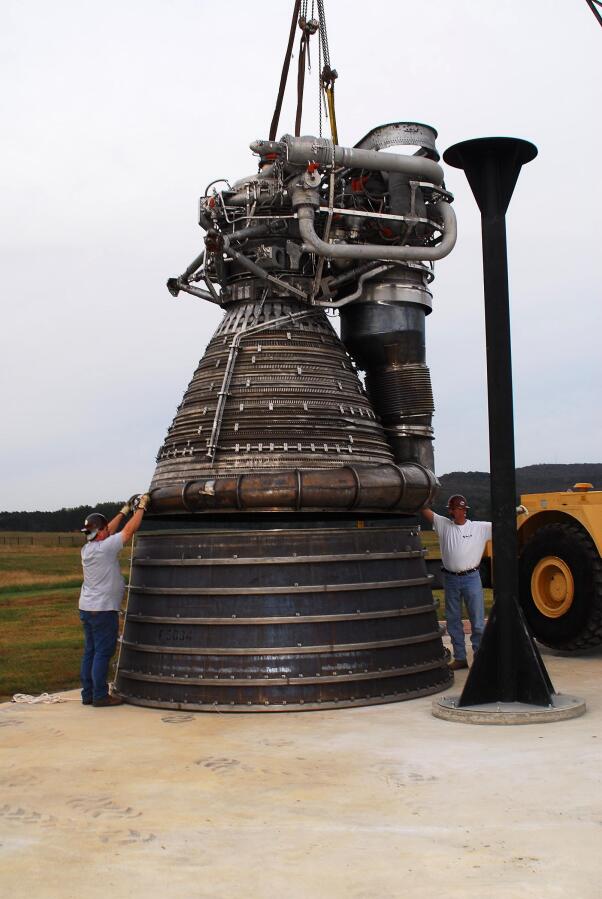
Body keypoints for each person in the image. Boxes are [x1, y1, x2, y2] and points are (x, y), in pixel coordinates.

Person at [78, 493, 151, 706]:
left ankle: (88, 694)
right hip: (103, 610)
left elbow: (106, 530)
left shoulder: (87, 549)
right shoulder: (105, 548)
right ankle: (100, 696)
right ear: (100, 532)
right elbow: (128, 531)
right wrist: (141, 508)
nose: (108, 531)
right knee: (103, 652)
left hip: (87, 608)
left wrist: (123, 511)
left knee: (90, 651)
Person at [421, 495, 491, 670]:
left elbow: (502, 524)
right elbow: (424, 511)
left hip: (471, 578)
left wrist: (516, 512)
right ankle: (460, 658)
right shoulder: (444, 525)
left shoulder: (479, 528)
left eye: (457, 509)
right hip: (451, 579)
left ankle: (480, 659)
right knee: (453, 620)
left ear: (464, 510)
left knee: (477, 622)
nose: (453, 512)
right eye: (452, 509)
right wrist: (421, 498)